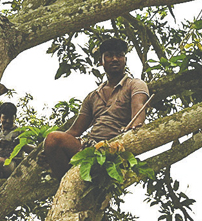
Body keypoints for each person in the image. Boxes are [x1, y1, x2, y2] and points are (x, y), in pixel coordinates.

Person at [44, 38, 149, 178]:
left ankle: (67, 179)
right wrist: (49, 150)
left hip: (114, 148)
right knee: (52, 139)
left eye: (119, 55)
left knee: (53, 138)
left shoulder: (135, 84)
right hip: (90, 147)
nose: (115, 59)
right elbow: (74, 131)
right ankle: (63, 180)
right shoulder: (93, 96)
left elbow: (138, 113)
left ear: (125, 60)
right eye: (109, 55)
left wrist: (133, 129)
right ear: (101, 61)